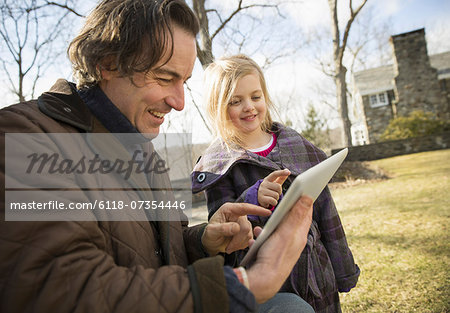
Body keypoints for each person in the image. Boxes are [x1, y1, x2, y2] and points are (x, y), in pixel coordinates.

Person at [0, 1, 316, 312]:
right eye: (165, 78)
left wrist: (205, 239)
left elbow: (164, 246)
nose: (179, 102)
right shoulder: (27, 136)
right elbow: (60, 287)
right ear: (108, 63)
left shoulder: (143, 149)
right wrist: (247, 283)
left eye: (184, 82)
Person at [192, 54, 360, 312]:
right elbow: (223, 231)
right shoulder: (220, 166)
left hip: (317, 271)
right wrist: (251, 198)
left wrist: (343, 270)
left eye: (255, 97)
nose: (249, 106)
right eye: (236, 101)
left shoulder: (296, 145)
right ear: (218, 108)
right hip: (269, 282)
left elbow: (327, 212)